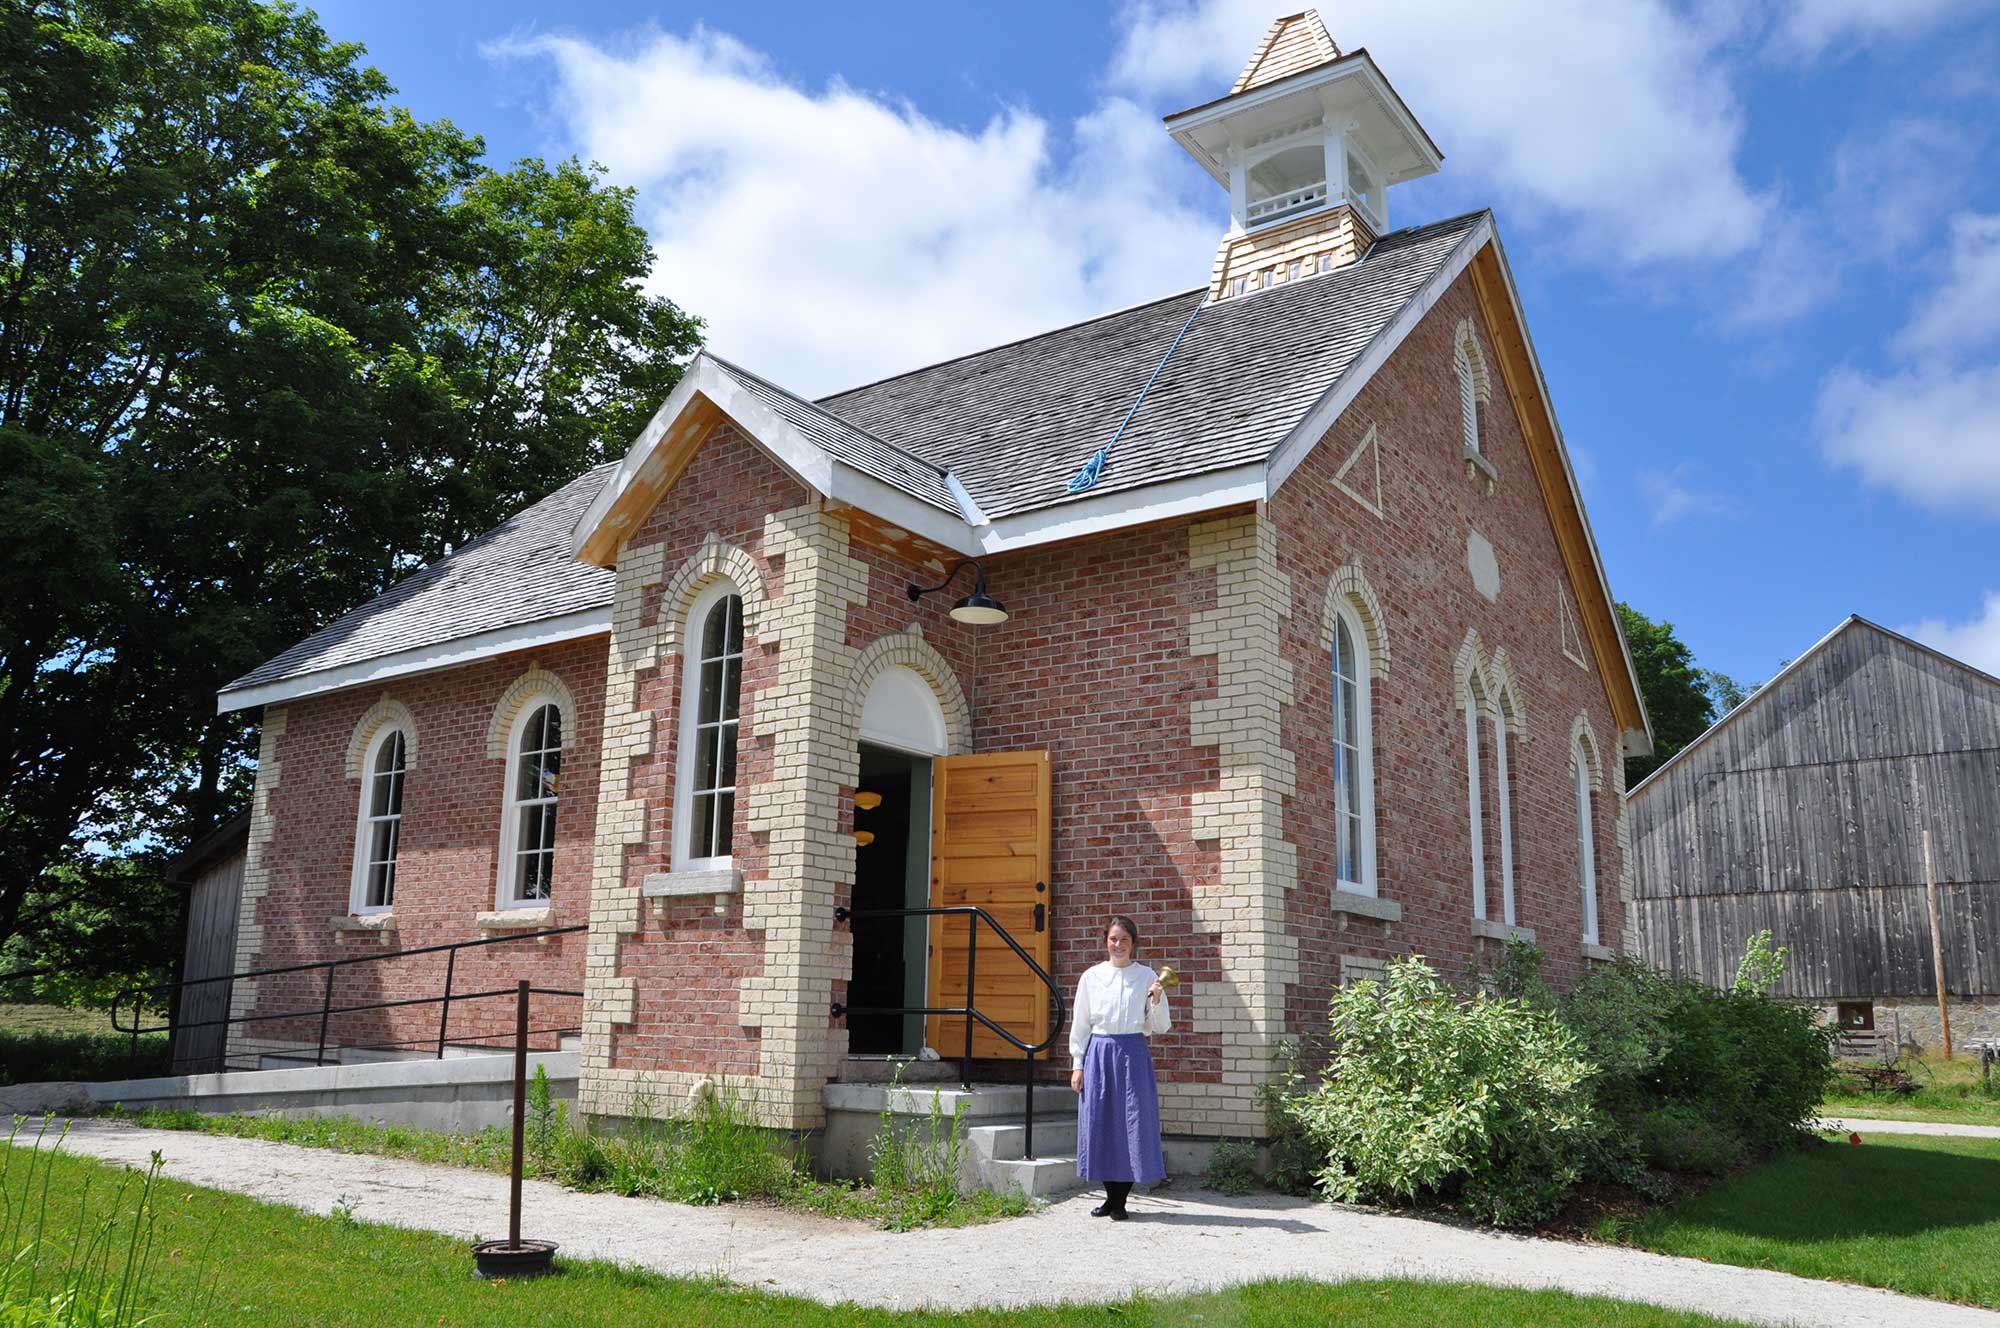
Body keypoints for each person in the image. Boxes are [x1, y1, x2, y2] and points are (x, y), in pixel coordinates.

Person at [1069, 913, 1168, 1219]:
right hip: (1099, 1052)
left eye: (1125, 939)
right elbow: (1081, 1023)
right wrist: (1078, 1064)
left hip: (1132, 1053)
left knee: (1131, 1124)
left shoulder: (1146, 976)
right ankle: (1109, 1198)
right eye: (1113, 938)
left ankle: (1121, 1201)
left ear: (1133, 943)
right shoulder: (1092, 977)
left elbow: (1159, 1026)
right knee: (1101, 1122)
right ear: (1106, 942)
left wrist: (1156, 1000)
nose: (1119, 944)